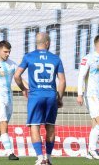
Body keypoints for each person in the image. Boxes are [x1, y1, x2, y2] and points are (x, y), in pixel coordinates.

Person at [14, 32, 66, 165]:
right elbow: (62, 81)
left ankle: (40, 158)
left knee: (34, 126)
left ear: (37, 43)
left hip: (35, 96)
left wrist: (24, 89)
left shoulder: (29, 57)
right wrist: (59, 98)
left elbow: (17, 76)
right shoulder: (55, 58)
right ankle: (48, 158)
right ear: (47, 43)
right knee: (50, 126)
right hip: (50, 96)